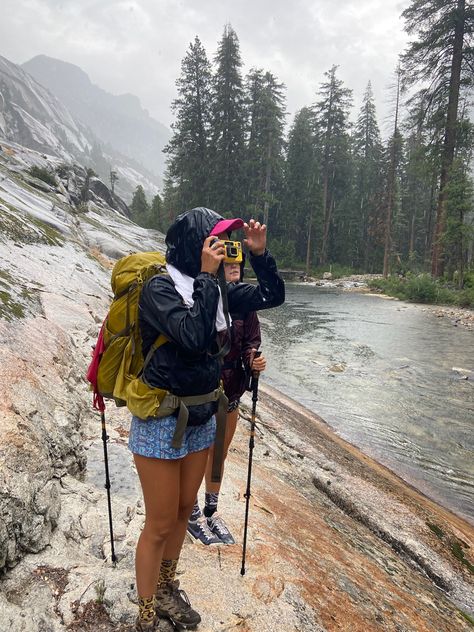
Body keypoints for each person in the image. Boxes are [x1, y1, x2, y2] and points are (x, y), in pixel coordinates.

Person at [127, 207, 284, 631]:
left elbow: (273, 296)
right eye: (215, 241)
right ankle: (145, 615)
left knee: (182, 511)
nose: (223, 250)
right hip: (161, 420)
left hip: (202, 418)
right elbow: (195, 336)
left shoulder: (219, 291)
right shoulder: (159, 290)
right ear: (194, 248)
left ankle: (165, 589)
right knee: (158, 523)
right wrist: (204, 275)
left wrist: (259, 256)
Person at [187, 259, 266, 545]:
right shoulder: (204, 294)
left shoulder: (246, 302)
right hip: (202, 392)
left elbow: (251, 341)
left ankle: (210, 509)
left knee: (219, 452)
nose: (234, 266)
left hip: (231, 392)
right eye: (227, 261)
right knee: (199, 451)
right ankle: (191, 512)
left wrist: (253, 359)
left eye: (238, 261)